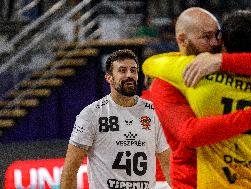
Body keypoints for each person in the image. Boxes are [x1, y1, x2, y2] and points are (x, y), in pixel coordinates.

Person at [142, 7, 251, 188]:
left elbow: (150, 64)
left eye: (217, 36)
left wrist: (222, 61)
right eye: (206, 37)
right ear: (182, 40)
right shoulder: (167, 82)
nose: (214, 44)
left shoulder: (233, 67)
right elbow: (189, 133)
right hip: (195, 182)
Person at [60, 49, 171, 189]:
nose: (129, 75)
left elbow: (168, 164)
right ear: (109, 78)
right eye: (122, 71)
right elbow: (70, 170)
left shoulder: (153, 112)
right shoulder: (91, 115)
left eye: (133, 70)